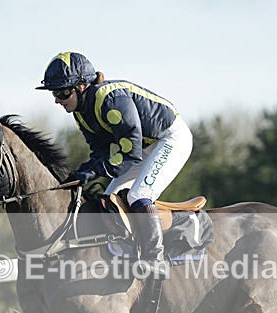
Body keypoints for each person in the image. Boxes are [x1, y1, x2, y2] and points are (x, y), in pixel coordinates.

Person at [36, 51, 193, 274]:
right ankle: (123, 254)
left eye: (62, 92)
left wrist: (92, 172)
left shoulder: (110, 99)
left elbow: (130, 153)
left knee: (139, 195)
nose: (57, 100)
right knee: (108, 200)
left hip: (169, 139)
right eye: (54, 93)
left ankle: (155, 258)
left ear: (81, 86)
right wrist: (84, 171)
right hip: (143, 147)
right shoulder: (81, 112)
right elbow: (101, 152)